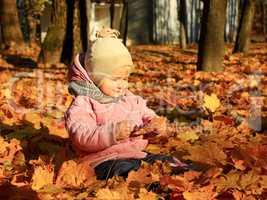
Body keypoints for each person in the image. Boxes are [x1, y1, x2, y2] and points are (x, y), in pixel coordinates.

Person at [64, 28, 186, 180]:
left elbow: (145, 113)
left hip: (135, 154)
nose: (122, 84)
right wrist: (112, 133)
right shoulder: (84, 102)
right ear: (95, 77)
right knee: (125, 170)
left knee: (166, 161)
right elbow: (80, 135)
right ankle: (152, 184)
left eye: (125, 78)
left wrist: (154, 124)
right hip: (102, 160)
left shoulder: (128, 98)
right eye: (116, 79)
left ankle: (186, 175)